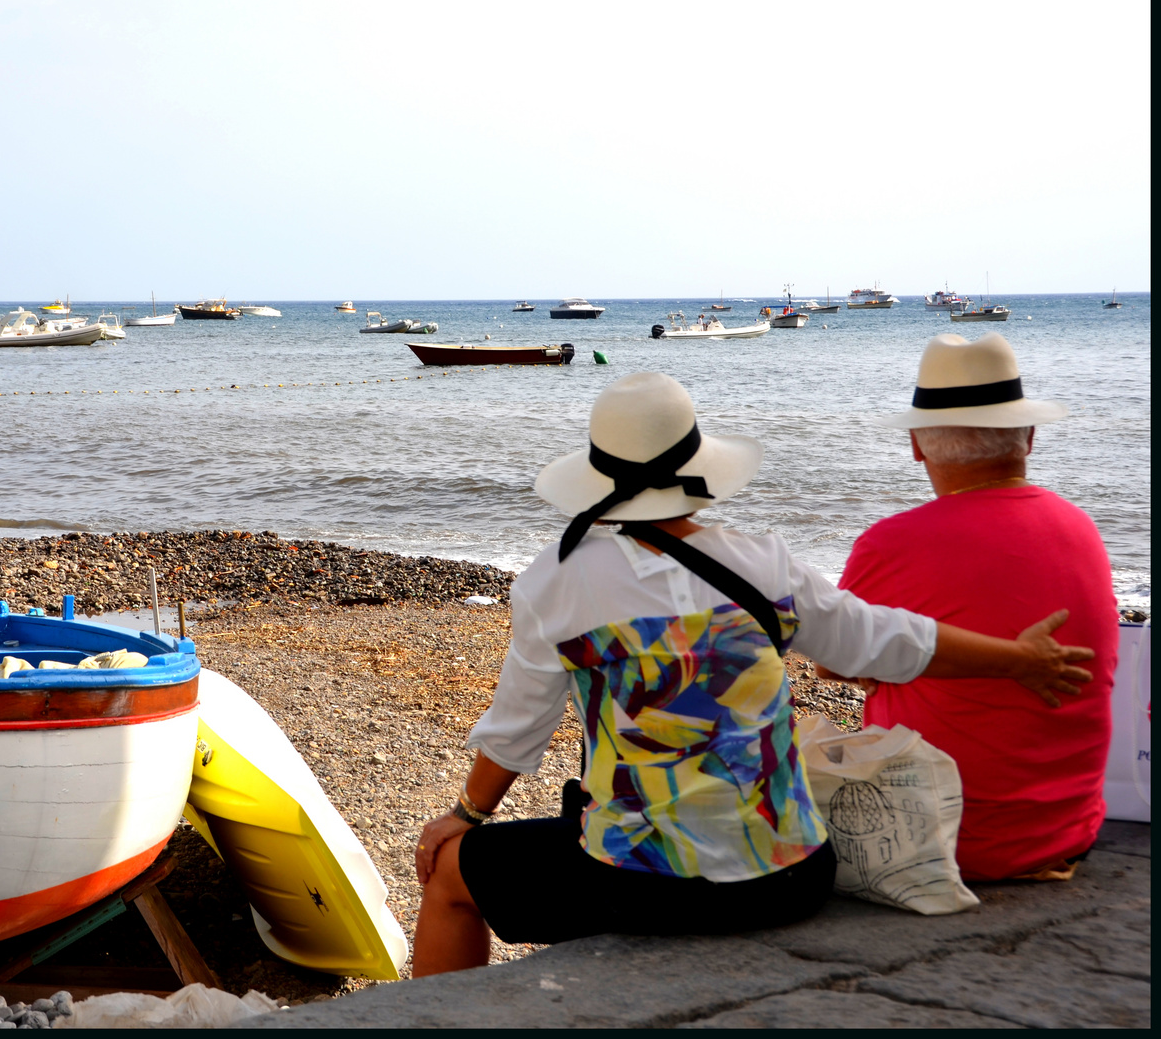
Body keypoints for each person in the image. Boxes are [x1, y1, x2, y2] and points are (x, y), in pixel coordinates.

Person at [410, 371, 1096, 977]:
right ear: (698, 472)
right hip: (790, 877)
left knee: (450, 874)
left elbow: (515, 734)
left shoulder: (557, 583)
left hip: (643, 884)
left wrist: (464, 816)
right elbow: (887, 641)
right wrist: (1020, 661)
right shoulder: (765, 566)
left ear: (602, 478)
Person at [829, 332, 1118, 881]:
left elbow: (833, 663)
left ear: (916, 444)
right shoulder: (1081, 529)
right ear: (1029, 437)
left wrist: (888, 666)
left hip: (937, 842)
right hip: (1067, 833)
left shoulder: (893, 543)